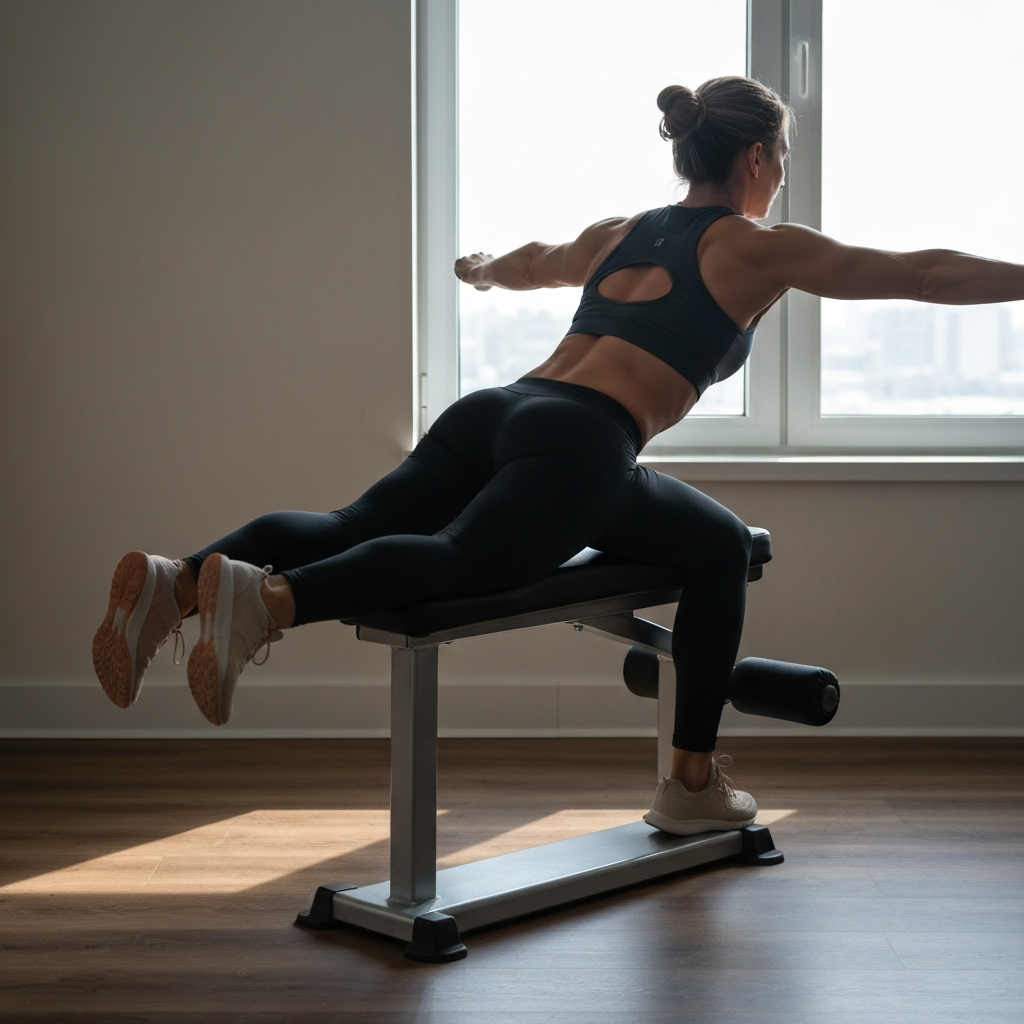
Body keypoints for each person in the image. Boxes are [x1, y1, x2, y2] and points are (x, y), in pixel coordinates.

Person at [93, 75, 1024, 836]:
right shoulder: (755, 246)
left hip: (499, 409)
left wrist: (484, 267)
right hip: (583, 439)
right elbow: (922, 273)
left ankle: (179, 581)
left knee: (694, 543)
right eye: (781, 159)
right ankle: (273, 601)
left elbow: (532, 259)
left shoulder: (621, 231)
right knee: (467, 566)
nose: (780, 177)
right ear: (755, 157)